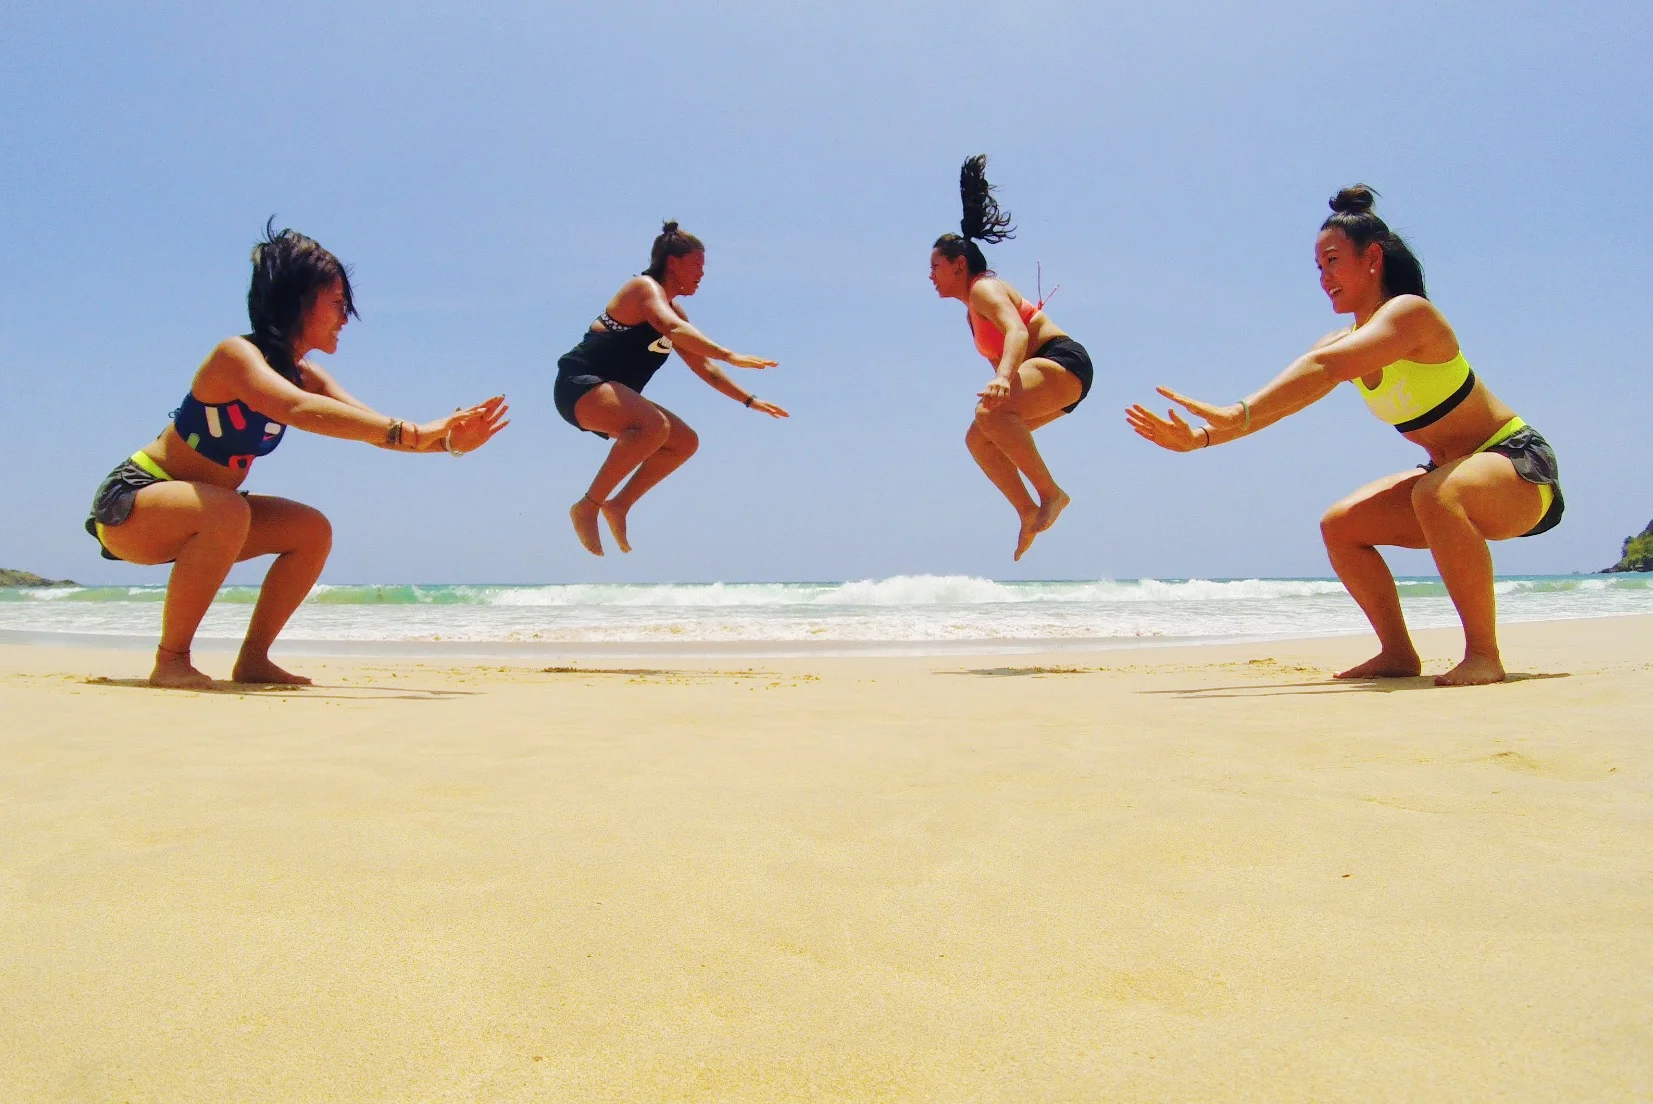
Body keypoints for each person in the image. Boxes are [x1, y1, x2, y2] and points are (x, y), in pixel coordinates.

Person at [1126, 186, 1563, 687]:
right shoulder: (1340, 343)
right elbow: (1288, 402)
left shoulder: (1411, 314)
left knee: (1435, 493)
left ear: (1372, 259)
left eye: (1333, 262)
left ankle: (1484, 655)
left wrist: (1234, 411)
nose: (1324, 278)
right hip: (1446, 479)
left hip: (1518, 469)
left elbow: (1324, 368)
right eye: (1318, 267)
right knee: (1341, 526)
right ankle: (1397, 653)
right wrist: (1202, 438)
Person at [86, 223, 510, 690]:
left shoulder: (309, 376)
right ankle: (171, 660)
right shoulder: (234, 356)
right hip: (134, 504)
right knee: (227, 511)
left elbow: (376, 429)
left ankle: (254, 659)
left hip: (208, 514)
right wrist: (416, 431)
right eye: (337, 303)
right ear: (297, 302)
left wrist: (448, 441)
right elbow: (297, 410)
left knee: (311, 531)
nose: (346, 317)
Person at [554, 221, 788, 556]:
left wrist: (750, 400)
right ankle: (587, 506)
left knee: (683, 442)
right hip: (578, 386)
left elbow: (705, 367)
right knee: (653, 427)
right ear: (673, 263)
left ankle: (618, 506)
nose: (702, 274)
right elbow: (671, 327)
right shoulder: (642, 288)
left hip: (608, 394)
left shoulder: (674, 309)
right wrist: (729, 354)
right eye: (697, 265)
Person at [930, 155, 1096, 560]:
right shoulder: (971, 314)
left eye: (936, 266)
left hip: (1063, 360)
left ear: (959, 265)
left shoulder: (984, 290)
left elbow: (1017, 333)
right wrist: (1002, 383)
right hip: (1049, 376)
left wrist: (1004, 379)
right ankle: (1027, 510)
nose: (930, 275)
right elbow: (1003, 362)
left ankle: (1051, 494)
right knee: (979, 438)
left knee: (989, 414)